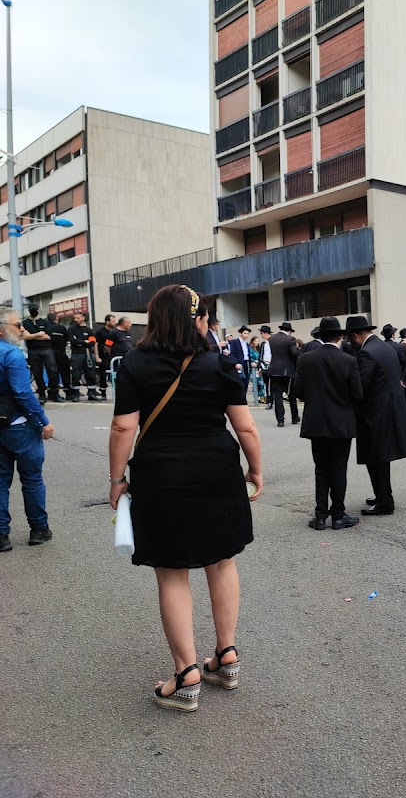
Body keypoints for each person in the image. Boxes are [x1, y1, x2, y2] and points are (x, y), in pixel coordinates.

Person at [108, 284, 262, 712]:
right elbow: (245, 427)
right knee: (222, 560)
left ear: (156, 319)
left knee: (172, 571)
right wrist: (255, 469)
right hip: (218, 471)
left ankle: (186, 673)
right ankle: (226, 657)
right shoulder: (220, 362)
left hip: (162, 475)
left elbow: (123, 428)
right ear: (198, 320)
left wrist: (116, 478)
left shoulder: (136, 362)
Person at [293, 316, 362, 530]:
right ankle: (338, 514)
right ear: (340, 337)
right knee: (338, 469)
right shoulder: (349, 360)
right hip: (342, 423)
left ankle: (320, 515)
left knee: (321, 469)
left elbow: (298, 392)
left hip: (316, 423)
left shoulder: (305, 359)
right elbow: (357, 394)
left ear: (320, 337)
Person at [350, 315, 406, 516]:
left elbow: (361, 386)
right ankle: (382, 495)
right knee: (381, 457)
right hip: (389, 408)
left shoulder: (367, 353)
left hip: (375, 412)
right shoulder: (384, 347)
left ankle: (384, 502)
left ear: (355, 335)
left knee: (376, 457)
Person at [0, 311, 55, 552]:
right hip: (19, 426)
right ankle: (39, 529)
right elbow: (23, 393)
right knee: (32, 480)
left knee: (0, 482)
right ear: (1, 329)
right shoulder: (11, 354)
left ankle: (1, 535)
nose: (22, 329)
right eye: (17, 325)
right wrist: (43, 421)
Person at [22, 304, 59, 403]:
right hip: (33, 350)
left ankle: (54, 392)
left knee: (52, 371)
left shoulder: (45, 322)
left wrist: (31, 336)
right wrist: (39, 334)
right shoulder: (25, 323)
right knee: (37, 372)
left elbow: (48, 337)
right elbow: (24, 336)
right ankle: (42, 393)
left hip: (46, 349)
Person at [266, 321, 300, 427]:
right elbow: (294, 353)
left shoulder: (271, 338)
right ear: (289, 331)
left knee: (278, 396)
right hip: (287, 370)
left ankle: (280, 420)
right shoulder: (291, 339)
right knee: (291, 395)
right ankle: (294, 417)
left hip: (274, 370)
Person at [67, 312, 102, 401]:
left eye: (78, 318)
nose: (76, 320)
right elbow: (73, 341)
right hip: (76, 354)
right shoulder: (71, 329)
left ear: (83, 318)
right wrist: (85, 342)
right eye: (75, 318)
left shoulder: (89, 330)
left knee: (91, 374)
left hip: (88, 354)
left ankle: (92, 393)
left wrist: (81, 342)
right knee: (76, 374)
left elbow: (92, 342)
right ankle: (75, 394)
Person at [47, 312, 74, 401]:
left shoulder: (47, 328)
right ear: (56, 318)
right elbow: (68, 338)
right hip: (61, 352)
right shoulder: (61, 328)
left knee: (52, 374)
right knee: (65, 373)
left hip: (49, 353)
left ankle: (52, 393)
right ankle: (68, 393)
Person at [93, 314, 116, 400]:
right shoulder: (100, 332)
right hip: (103, 355)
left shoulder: (114, 331)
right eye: (113, 321)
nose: (114, 323)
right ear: (107, 322)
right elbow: (96, 344)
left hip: (112, 356)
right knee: (103, 374)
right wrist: (97, 357)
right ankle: (103, 393)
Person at [229, 325, 253, 393]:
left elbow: (248, 354)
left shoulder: (246, 344)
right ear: (241, 333)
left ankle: (243, 397)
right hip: (239, 364)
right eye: (245, 333)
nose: (246, 335)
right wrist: (236, 363)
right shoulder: (235, 342)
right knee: (239, 382)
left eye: (247, 334)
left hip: (246, 363)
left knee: (246, 382)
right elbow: (232, 354)